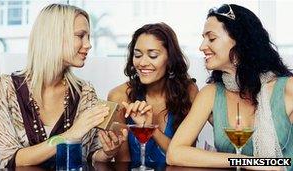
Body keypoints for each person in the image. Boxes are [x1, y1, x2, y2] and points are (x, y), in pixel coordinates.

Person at [0, 4, 126, 169]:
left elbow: (90, 155)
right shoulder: (1, 89)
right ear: (53, 37)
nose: (88, 44)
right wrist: (70, 134)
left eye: (88, 37)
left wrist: (107, 153)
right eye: (80, 36)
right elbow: (9, 159)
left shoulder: (85, 92)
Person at [167, 4, 293, 170]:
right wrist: (245, 161)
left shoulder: (287, 88)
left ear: (240, 41)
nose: (202, 46)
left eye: (211, 38)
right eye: (203, 38)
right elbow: (174, 153)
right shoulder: (210, 93)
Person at [108, 23, 198, 164]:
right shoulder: (119, 96)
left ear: (170, 59)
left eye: (153, 55)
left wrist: (150, 129)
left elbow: (186, 156)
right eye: (137, 55)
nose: (142, 63)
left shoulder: (189, 91)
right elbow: (123, 162)